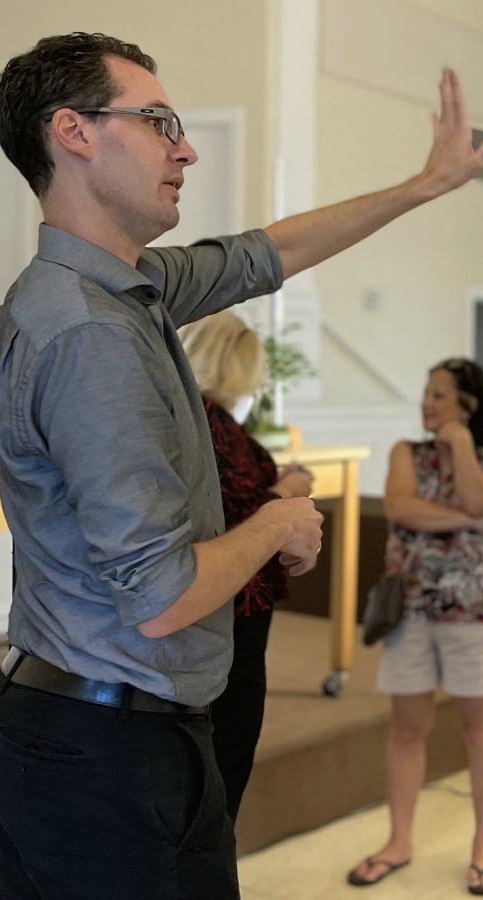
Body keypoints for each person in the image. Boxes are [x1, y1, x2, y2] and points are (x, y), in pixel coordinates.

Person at [0, 32, 483, 900]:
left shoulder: (110, 287)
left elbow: (263, 255)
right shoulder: (93, 331)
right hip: (107, 754)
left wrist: (422, 186)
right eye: (158, 121)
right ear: (73, 132)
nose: (186, 146)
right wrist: (276, 522)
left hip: (73, 727)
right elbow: (162, 592)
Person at [349, 358, 483, 895]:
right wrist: (475, 521)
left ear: (467, 405)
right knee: (406, 728)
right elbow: (400, 508)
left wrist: (460, 447)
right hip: (412, 609)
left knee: (480, 729)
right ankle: (398, 841)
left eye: (439, 396)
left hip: (478, 611)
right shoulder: (406, 453)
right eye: (425, 393)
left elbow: (479, 495)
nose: (425, 403)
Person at [179, 311, 314, 820]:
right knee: (220, 774)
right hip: (230, 619)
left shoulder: (192, 421)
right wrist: (289, 491)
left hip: (214, 617)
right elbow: (236, 521)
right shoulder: (210, 424)